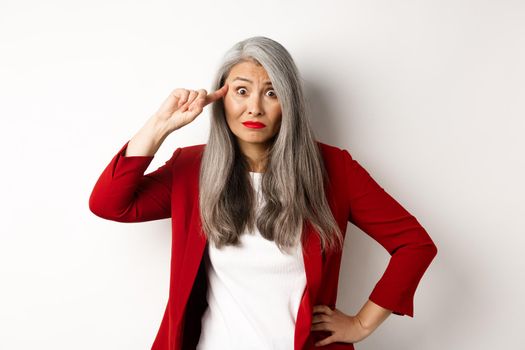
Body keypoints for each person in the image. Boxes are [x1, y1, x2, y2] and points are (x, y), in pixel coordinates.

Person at [89, 36, 438, 350]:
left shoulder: (333, 169)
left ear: (290, 103)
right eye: (241, 91)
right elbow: (110, 204)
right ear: (221, 97)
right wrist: (159, 126)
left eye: (272, 93)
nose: (254, 107)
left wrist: (362, 323)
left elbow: (414, 244)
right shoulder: (192, 167)